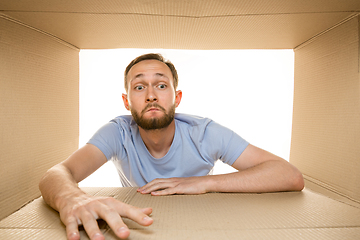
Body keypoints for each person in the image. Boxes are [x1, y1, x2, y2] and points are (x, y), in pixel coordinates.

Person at [39, 53, 304, 240]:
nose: (151, 94)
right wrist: (73, 199)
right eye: (140, 86)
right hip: (142, 226)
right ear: (126, 101)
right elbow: (56, 174)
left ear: (176, 98)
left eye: (161, 85)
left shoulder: (205, 133)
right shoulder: (117, 132)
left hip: (200, 226)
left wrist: (203, 183)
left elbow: (289, 175)